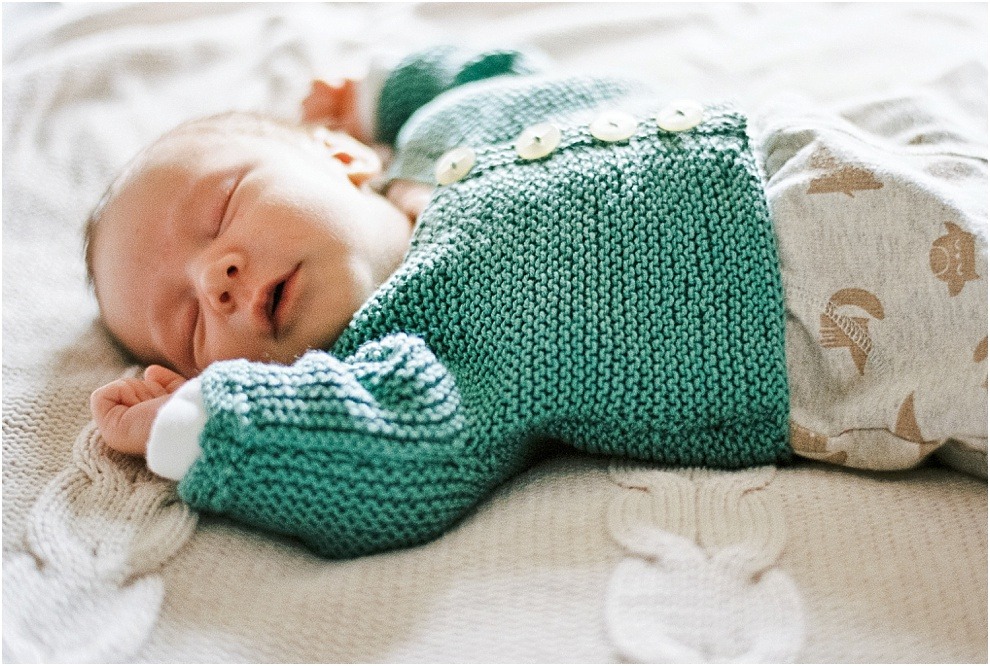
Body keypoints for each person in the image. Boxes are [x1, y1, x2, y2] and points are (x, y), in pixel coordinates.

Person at [87, 45, 988, 559]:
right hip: (828, 309)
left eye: (222, 209)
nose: (217, 277)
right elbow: (394, 458)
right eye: (190, 323)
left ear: (340, 157)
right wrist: (211, 422)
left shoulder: (445, 129)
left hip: (815, 139)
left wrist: (381, 91)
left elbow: (494, 65)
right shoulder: (418, 345)